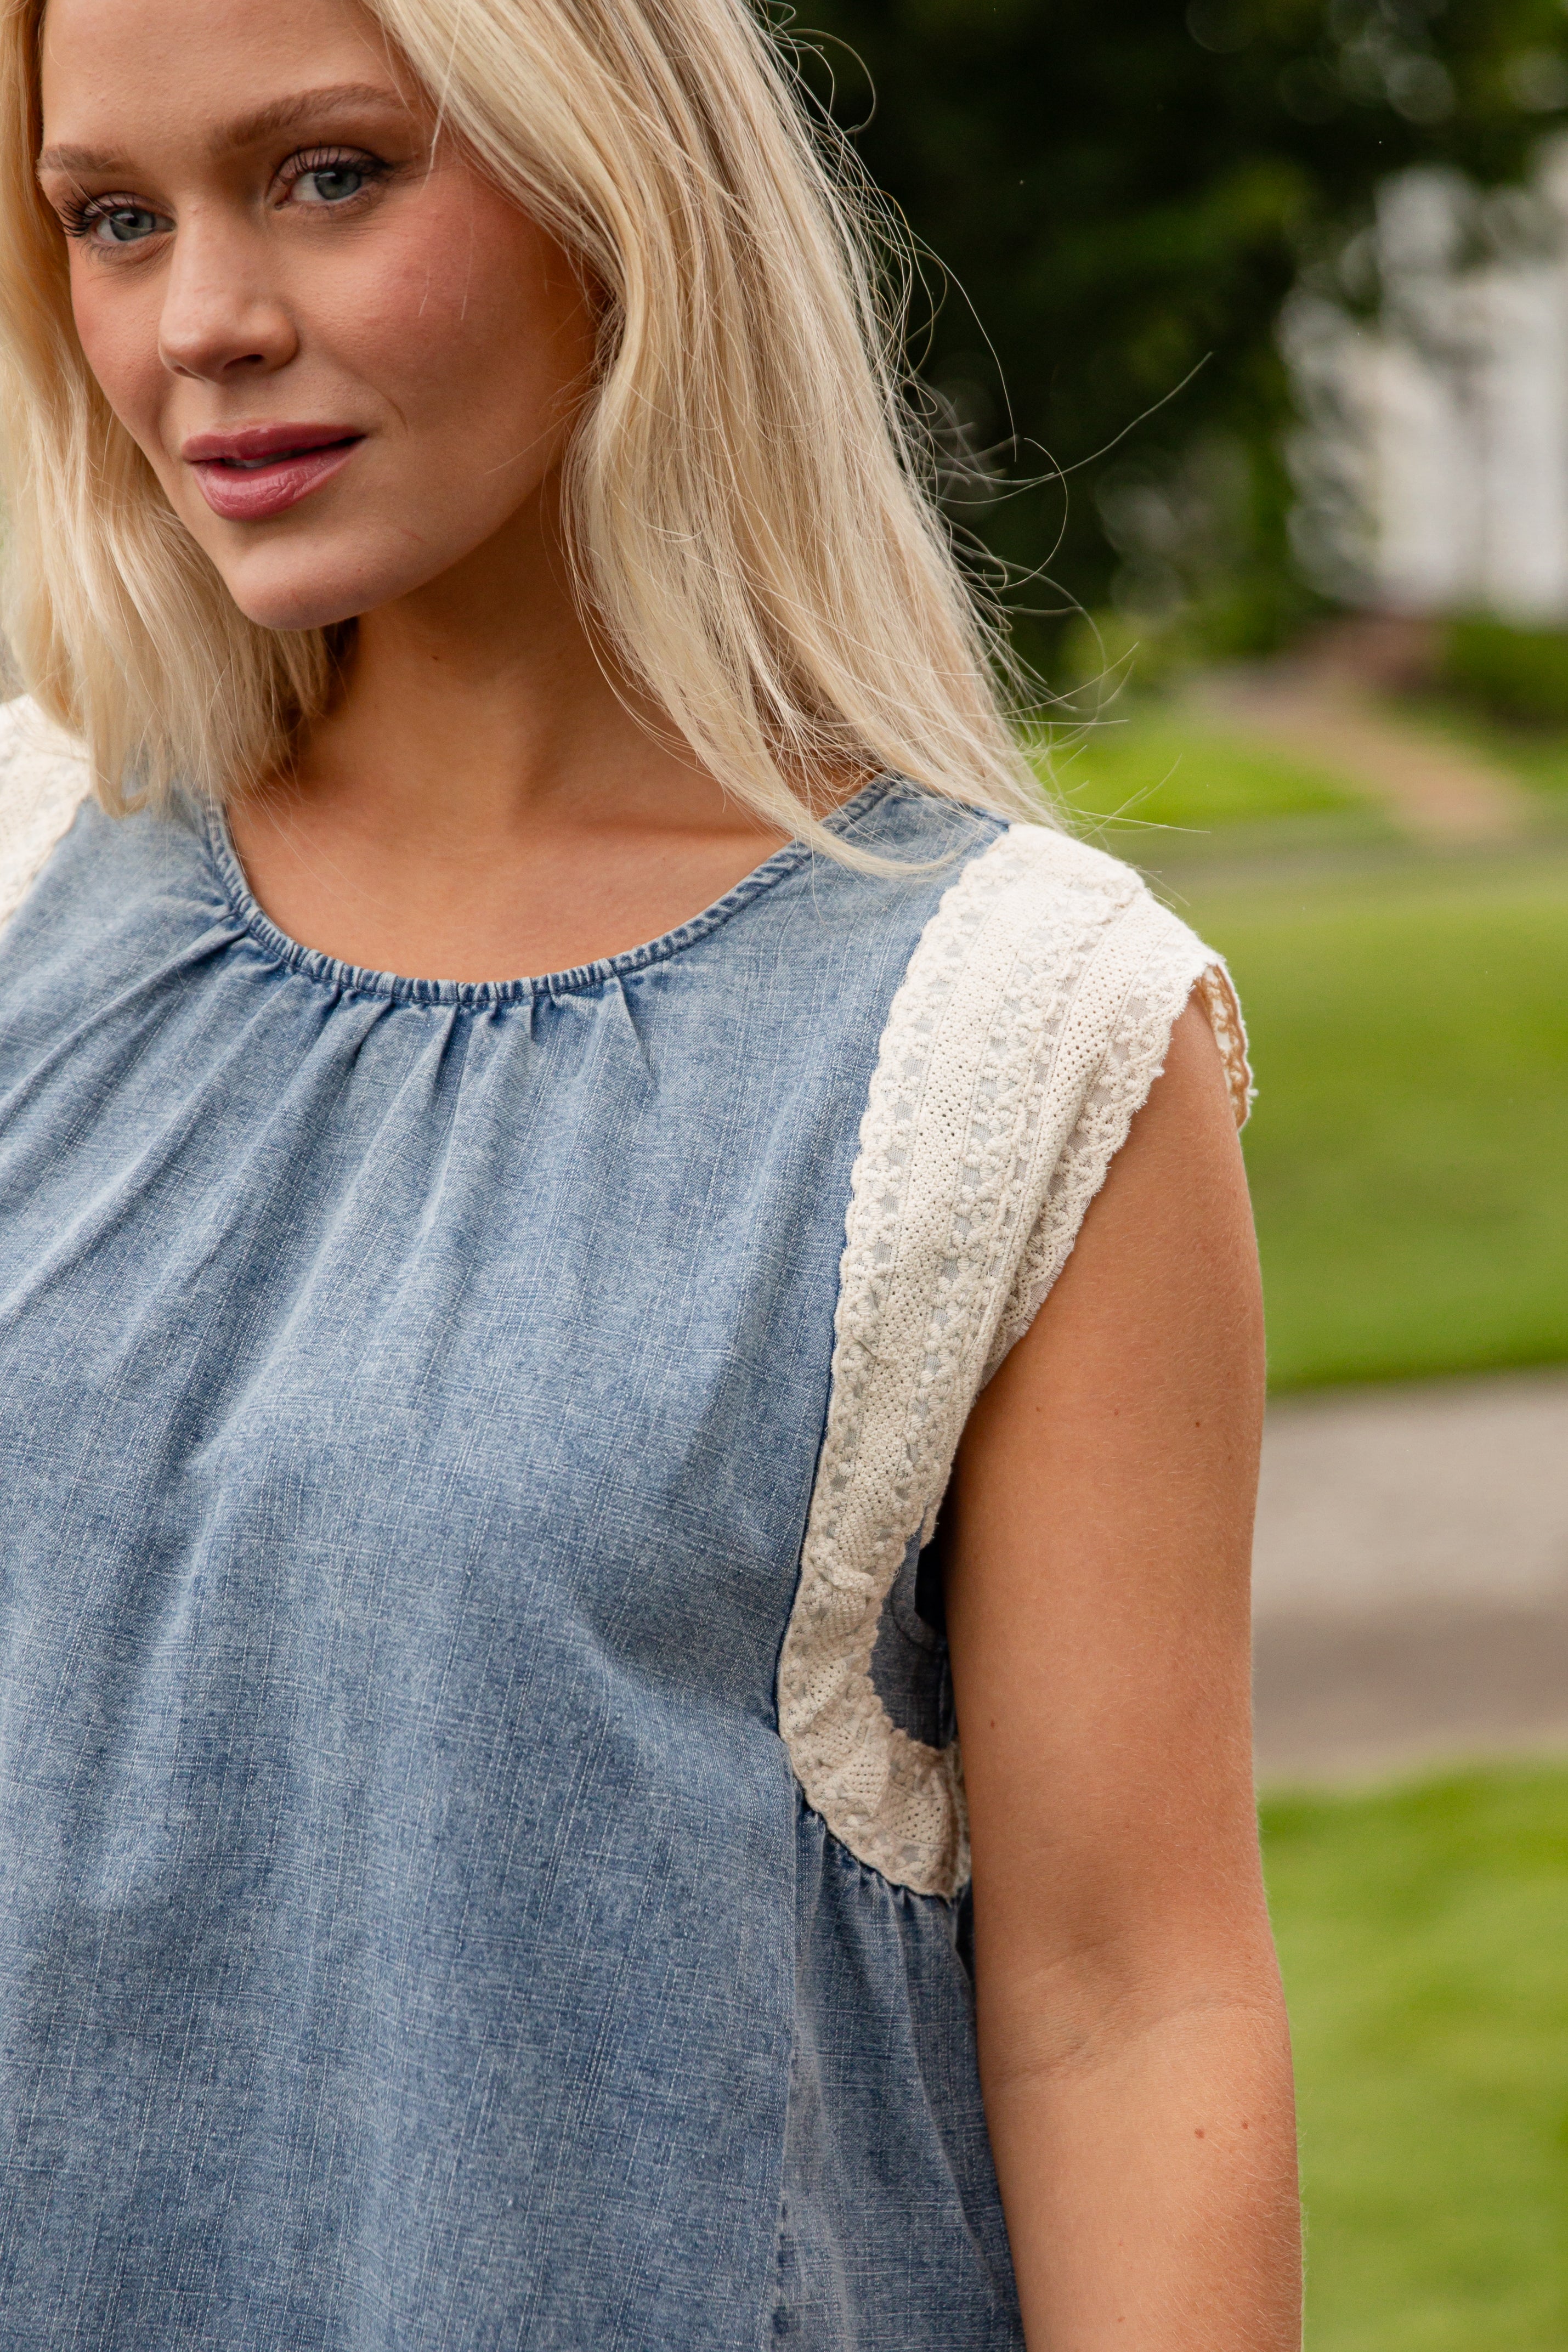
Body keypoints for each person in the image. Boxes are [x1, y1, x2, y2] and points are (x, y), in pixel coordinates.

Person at [0, 0, 1300, 2342]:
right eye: (114, 216)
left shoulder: (1009, 1038)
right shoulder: (18, 865)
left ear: (620, 185)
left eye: (326, 174)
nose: (201, 322)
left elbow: (1131, 2006)